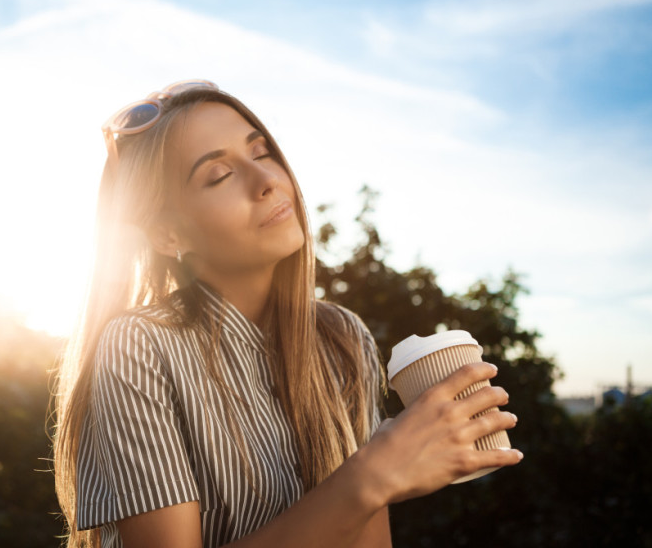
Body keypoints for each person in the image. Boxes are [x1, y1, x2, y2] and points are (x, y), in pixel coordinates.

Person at [52, 80, 523, 548]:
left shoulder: (341, 336)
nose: (267, 181)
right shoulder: (138, 345)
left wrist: (388, 472)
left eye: (261, 152)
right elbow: (366, 488)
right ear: (167, 235)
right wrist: (375, 473)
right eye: (219, 175)